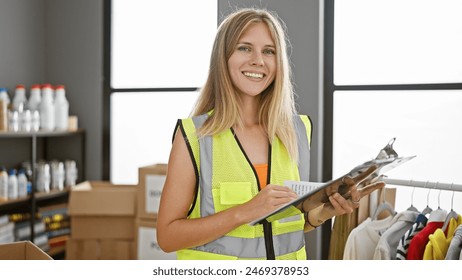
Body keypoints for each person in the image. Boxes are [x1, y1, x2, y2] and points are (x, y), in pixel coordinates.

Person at [157, 8, 384, 260]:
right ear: (223, 58)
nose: (258, 60)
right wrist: (244, 212)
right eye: (244, 48)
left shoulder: (296, 131)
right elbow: (167, 237)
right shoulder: (196, 136)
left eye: (269, 51)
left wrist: (323, 213)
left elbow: (283, 228)